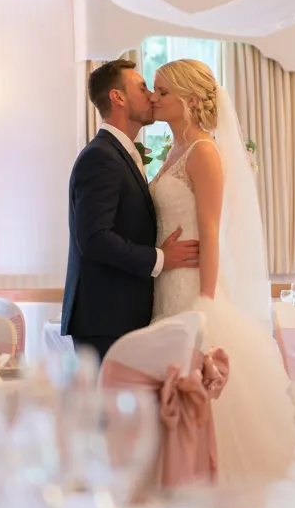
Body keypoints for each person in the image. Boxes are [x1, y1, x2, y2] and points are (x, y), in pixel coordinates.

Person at [149, 59, 295, 484]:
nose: (155, 100)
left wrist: (207, 302)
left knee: (201, 387)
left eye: (163, 93)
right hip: (166, 281)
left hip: (193, 285)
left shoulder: (204, 151)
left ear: (191, 100)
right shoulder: (173, 151)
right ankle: (180, 478)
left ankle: (212, 481)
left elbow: (211, 232)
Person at [61, 59, 199, 361]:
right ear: (118, 97)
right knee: (111, 409)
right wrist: (162, 257)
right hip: (106, 318)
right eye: (142, 87)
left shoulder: (119, 153)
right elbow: (95, 238)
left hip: (120, 315)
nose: (151, 96)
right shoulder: (101, 157)